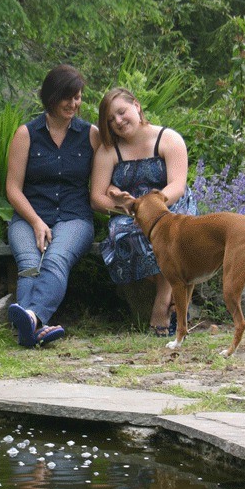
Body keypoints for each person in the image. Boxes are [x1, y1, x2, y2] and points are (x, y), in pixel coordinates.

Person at [5, 65, 100, 347]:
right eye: (67, 97)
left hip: (74, 218)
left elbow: (101, 181)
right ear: (51, 97)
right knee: (30, 264)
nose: (74, 104)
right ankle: (35, 328)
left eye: (78, 97)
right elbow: (13, 188)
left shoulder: (90, 134)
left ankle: (31, 318)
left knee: (57, 258)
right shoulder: (26, 134)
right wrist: (35, 221)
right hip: (28, 216)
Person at [90, 87, 196, 335]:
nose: (117, 121)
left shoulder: (168, 139)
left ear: (136, 106)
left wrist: (149, 209)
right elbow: (96, 197)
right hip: (129, 214)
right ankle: (172, 290)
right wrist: (122, 203)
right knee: (126, 237)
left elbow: (178, 186)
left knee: (168, 235)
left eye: (121, 112)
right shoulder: (108, 151)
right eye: (110, 119)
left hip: (170, 206)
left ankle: (161, 305)